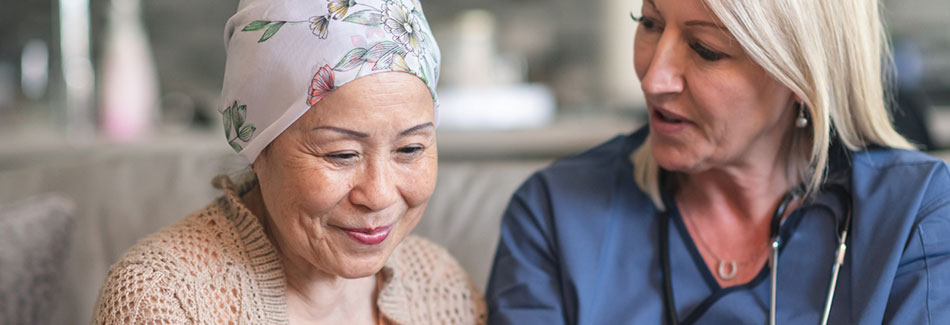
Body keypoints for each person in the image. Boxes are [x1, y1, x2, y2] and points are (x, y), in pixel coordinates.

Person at [486, 0, 950, 323]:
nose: (653, 78)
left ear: (802, 73)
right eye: (648, 22)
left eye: (706, 49)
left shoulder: (916, 217)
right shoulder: (553, 214)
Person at [93, 0, 487, 323]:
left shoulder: (442, 290)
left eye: (410, 149)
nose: (380, 195)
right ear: (259, 149)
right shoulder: (164, 300)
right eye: (342, 154)